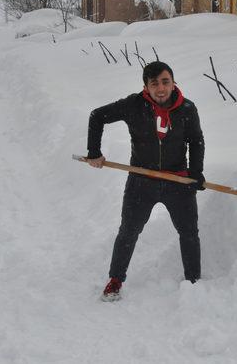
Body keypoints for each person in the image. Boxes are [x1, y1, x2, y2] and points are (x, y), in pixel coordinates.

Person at [86, 61, 206, 301]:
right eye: (154, 84)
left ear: (173, 82)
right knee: (129, 231)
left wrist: (195, 173)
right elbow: (97, 116)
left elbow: (196, 139)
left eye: (165, 82)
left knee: (189, 232)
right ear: (146, 87)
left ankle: (193, 283)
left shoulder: (187, 108)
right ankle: (115, 280)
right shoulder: (134, 105)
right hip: (141, 181)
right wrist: (94, 152)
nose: (161, 88)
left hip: (177, 181)